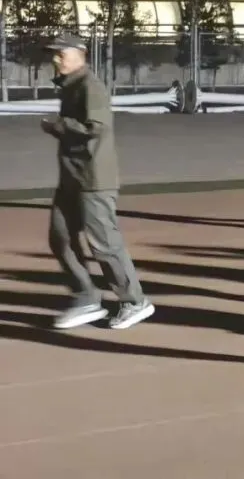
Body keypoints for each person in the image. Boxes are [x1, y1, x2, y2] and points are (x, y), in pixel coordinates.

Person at [42, 34, 155, 331]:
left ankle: (135, 301)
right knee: (60, 237)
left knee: (104, 243)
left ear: (80, 54)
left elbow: (96, 127)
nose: (55, 59)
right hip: (72, 178)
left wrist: (57, 125)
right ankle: (86, 297)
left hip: (94, 179)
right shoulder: (70, 86)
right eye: (54, 54)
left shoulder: (90, 86)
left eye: (61, 53)